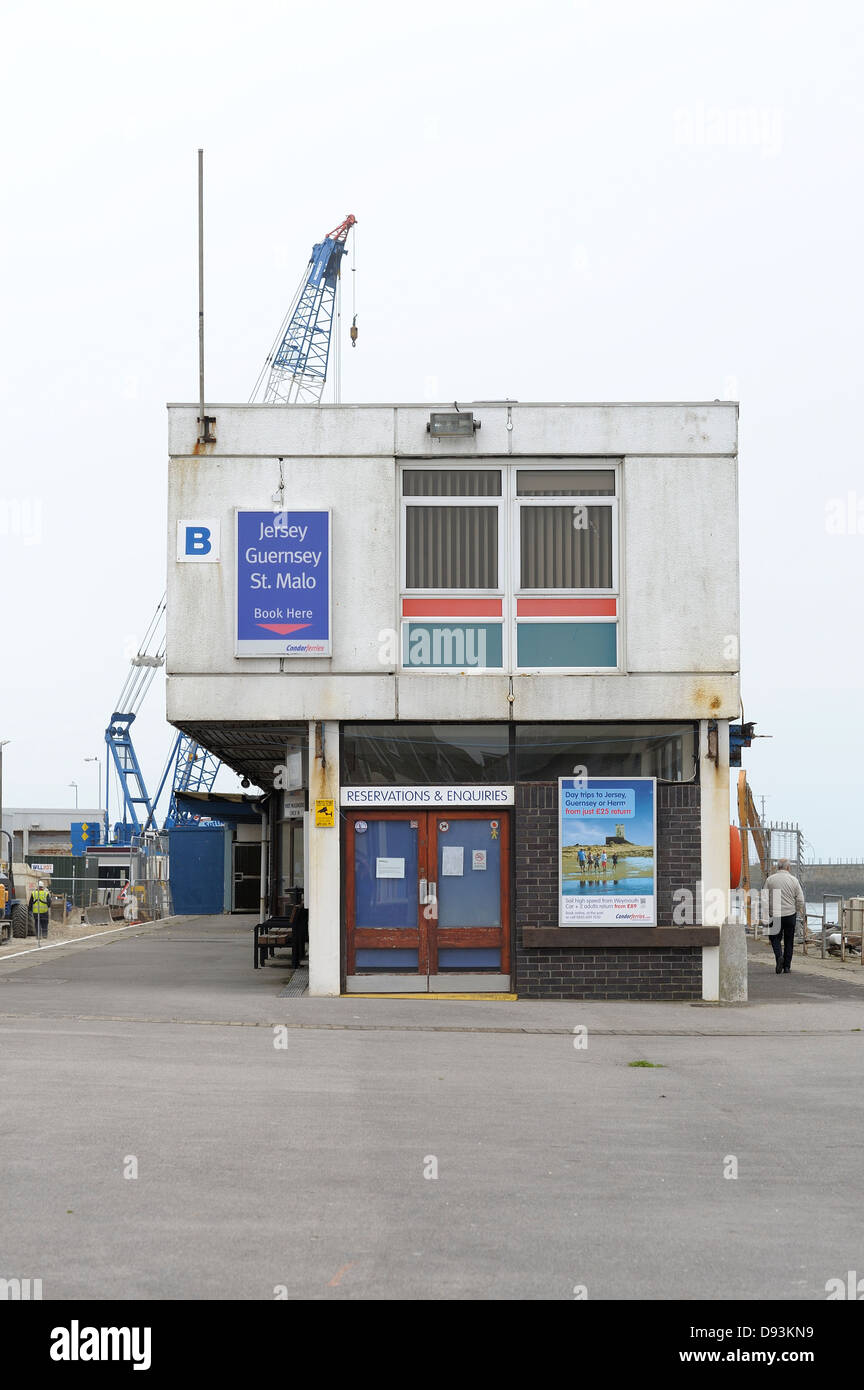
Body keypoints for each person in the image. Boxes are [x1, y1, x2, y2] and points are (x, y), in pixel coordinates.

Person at [764, 858, 806, 974]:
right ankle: (787, 967)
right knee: (789, 940)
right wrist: (795, 910)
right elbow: (801, 900)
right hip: (790, 915)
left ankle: (779, 957)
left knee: (774, 938)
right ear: (788, 867)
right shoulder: (794, 880)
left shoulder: (770, 880)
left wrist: (767, 912)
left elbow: (764, 898)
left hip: (775, 914)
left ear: (777, 867)